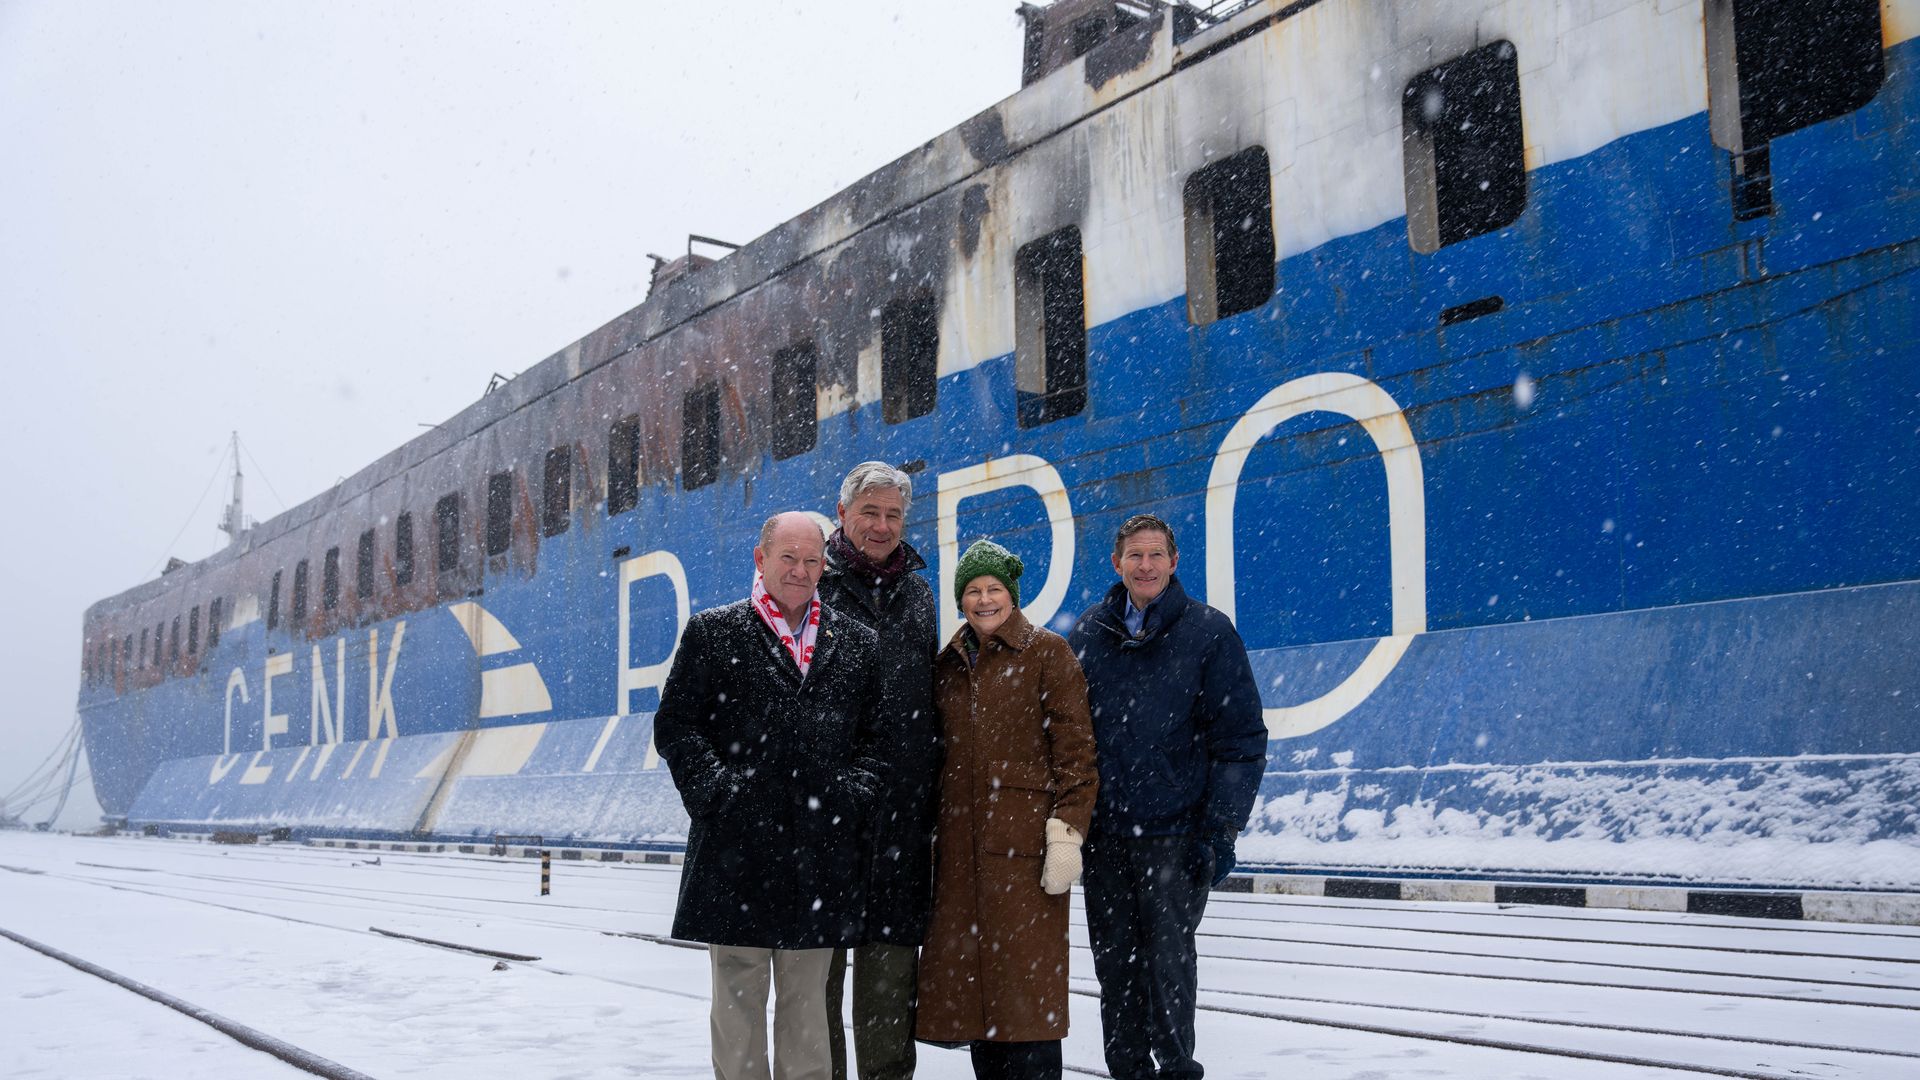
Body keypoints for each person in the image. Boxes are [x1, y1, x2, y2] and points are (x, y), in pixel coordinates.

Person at [655, 512, 886, 1080]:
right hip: (738, 853)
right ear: (761, 560)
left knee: (809, 1011)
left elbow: (879, 741)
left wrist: (850, 796)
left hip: (819, 856)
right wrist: (717, 793)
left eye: (812, 560)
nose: (801, 570)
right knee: (738, 1006)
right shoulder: (714, 633)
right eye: (788, 557)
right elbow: (677, 727)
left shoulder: (857, 643)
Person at [1066, 514, 1266, 1080]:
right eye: (1136, 556)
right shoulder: (1088, 635)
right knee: (1115, 967)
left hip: (1175, 836)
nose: (1146, 566)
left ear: (1174, 563)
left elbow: (1241, 739)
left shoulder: (1209, 633)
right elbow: (1068, 737)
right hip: (1107, 839)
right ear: (1117, 564)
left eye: (1156, 555)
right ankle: (1127, 1069)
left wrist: (1221, 829)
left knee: (1169, 964)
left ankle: (1177, 1068)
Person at [917, 539, 1099, 1080]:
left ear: (1012, 596)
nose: (984, 599)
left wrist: (1068, 831)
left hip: (1026, 858)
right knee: (980, 1005)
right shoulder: (947, 664)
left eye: (994, 588)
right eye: (972, 591)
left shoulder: (1048, 653)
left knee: (1028, 1003)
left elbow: (1076, 750)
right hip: (960, 857)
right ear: (960, 600)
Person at [818, 463, 942, 1080]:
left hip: (900, 822)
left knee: (891, 990)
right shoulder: (813, 585)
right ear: (842, 513)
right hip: (826, 822)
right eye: (870, 512)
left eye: (893, 515)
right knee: (815, 985)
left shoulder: (918, 594)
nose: (882, 526)